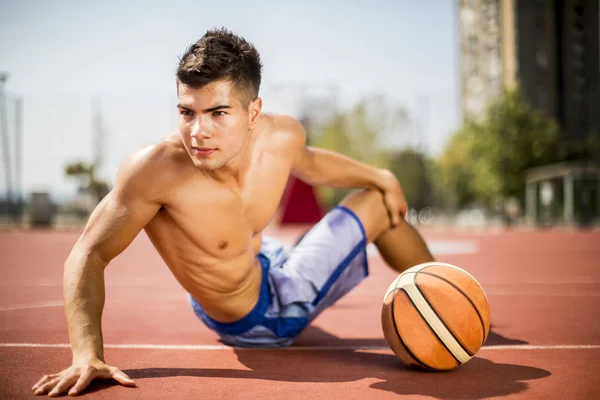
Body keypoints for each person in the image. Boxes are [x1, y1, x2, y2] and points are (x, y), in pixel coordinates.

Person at [32, 28, 434, 397]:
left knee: (378, 191)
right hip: (260, 317)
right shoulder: (155, 171)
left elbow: (311, 163)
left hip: (261, 261)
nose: (198, 132)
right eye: (187, 112)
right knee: (378, 206)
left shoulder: (281, 135)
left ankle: (442, 300)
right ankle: (442, 307)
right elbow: (87, 253)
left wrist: (381, 175)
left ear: (253, 113)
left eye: (218, 113)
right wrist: (86, 354)